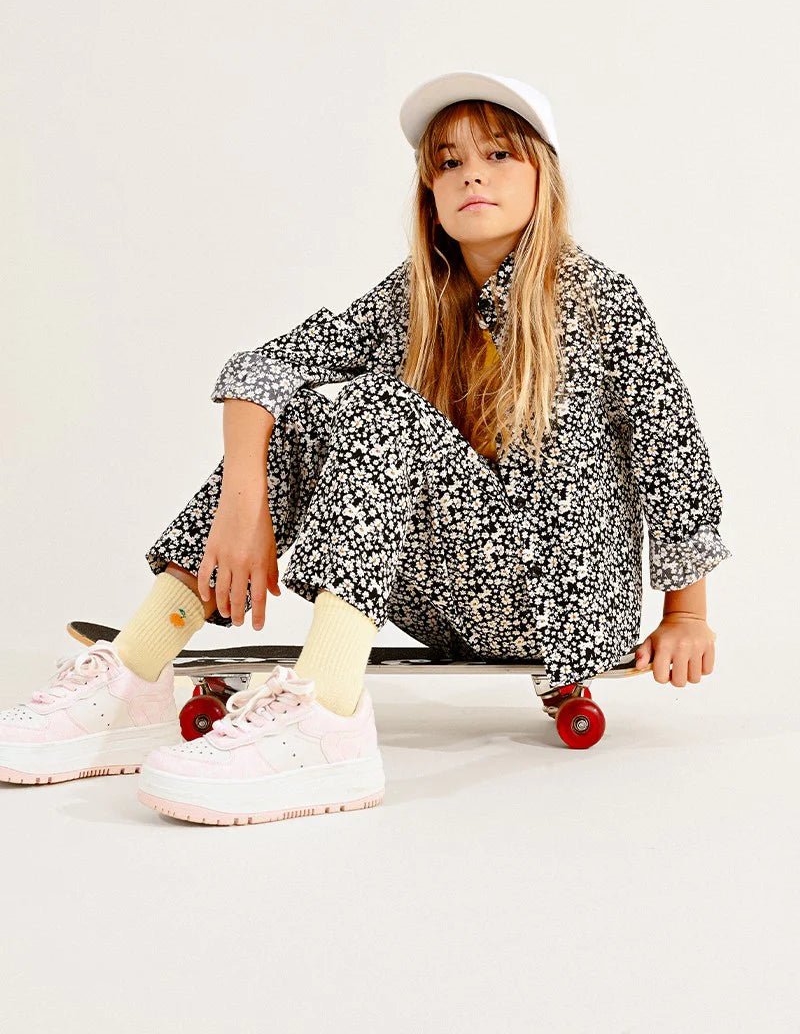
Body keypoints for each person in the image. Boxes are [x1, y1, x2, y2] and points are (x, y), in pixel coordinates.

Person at [0, 69, 732, 825]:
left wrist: (687, 613)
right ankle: (132, 677)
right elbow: (266, 368)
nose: (472, 174)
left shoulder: (600, 299)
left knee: (381, 405)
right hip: (447, 592)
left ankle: (327, 722)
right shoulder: (415, 296)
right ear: (429, 194)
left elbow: (671, 447)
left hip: (562, 602)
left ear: (544, 177)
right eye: (448, 162)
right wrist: (243, 506)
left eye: (499, 155)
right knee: (305, 416)